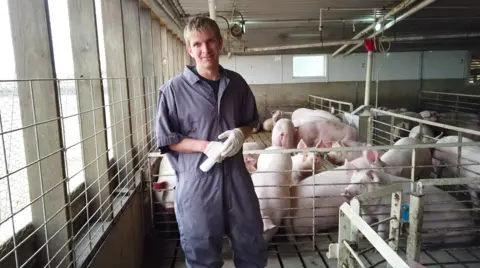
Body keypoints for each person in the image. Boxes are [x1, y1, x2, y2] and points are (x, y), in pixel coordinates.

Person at [155, 16, 267, 268]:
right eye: (197, 44)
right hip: (197, 185)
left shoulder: (237, 84)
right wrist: (205, 146)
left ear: (220, 42)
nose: (205, 50)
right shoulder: (172, 90)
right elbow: (167, 140)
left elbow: (251, 122)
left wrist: (240, 133)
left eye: (210, 42)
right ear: (189, 49)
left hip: (238, 180)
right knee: (202, 251)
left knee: (251, 245)